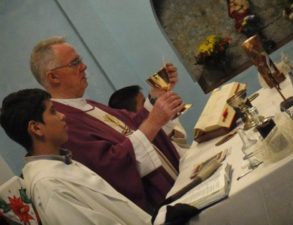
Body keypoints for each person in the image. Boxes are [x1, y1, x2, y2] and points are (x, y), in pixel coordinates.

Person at [29, 36, 184, 212]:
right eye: (75, 63)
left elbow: (132, 125)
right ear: (53, 77)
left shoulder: (87, 105)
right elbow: (111, 167)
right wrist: (154, 122)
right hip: (157, 205)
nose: (84, 66)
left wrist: (155, 95)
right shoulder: (65, 124)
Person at [0, 88, 152, 225]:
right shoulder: (48, 185)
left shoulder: (62, 162)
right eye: (53, 111)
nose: (62, 116)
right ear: (36, 128)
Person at [109, 85, 188, 149]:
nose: (149, 106)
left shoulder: (159, 119)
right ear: (132, 114)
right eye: (144, 103)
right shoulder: (142, 142)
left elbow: (182, 140)